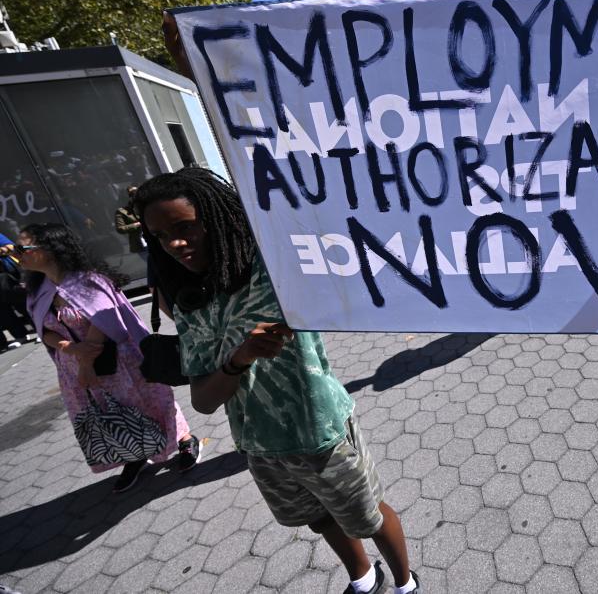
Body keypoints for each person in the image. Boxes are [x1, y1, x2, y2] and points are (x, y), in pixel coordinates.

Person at [135, 168, 419, 594]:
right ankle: (363, 578)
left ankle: (405, 584)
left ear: (215, 217)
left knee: (368, 516)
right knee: (319, 518)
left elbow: (331, 229)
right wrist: (238, 359)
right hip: (262, 446)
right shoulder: (191, 305)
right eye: (159, 236)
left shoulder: (278, 269)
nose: (175, 243)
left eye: (184, 227)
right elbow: (204, 401)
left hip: (319, 432)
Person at [17, 223, 202, 492]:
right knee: (110, 409)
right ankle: (136, 451)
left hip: (120, 360)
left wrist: (86, 358)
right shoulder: (37, 292)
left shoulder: (88, 281)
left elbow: (105, 321)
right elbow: (44, 331)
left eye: (23, 248)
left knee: (148, 400)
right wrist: (70, 349)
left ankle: (183, 439)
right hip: (76, 365)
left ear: (49, 250)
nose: (17, 254)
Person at [0, 232, 32, 351]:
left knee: (21, 302)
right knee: (3, 311)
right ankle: (20, 336)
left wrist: (2, 250)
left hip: (6, 275)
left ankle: (40, 330)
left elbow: (11, 247)